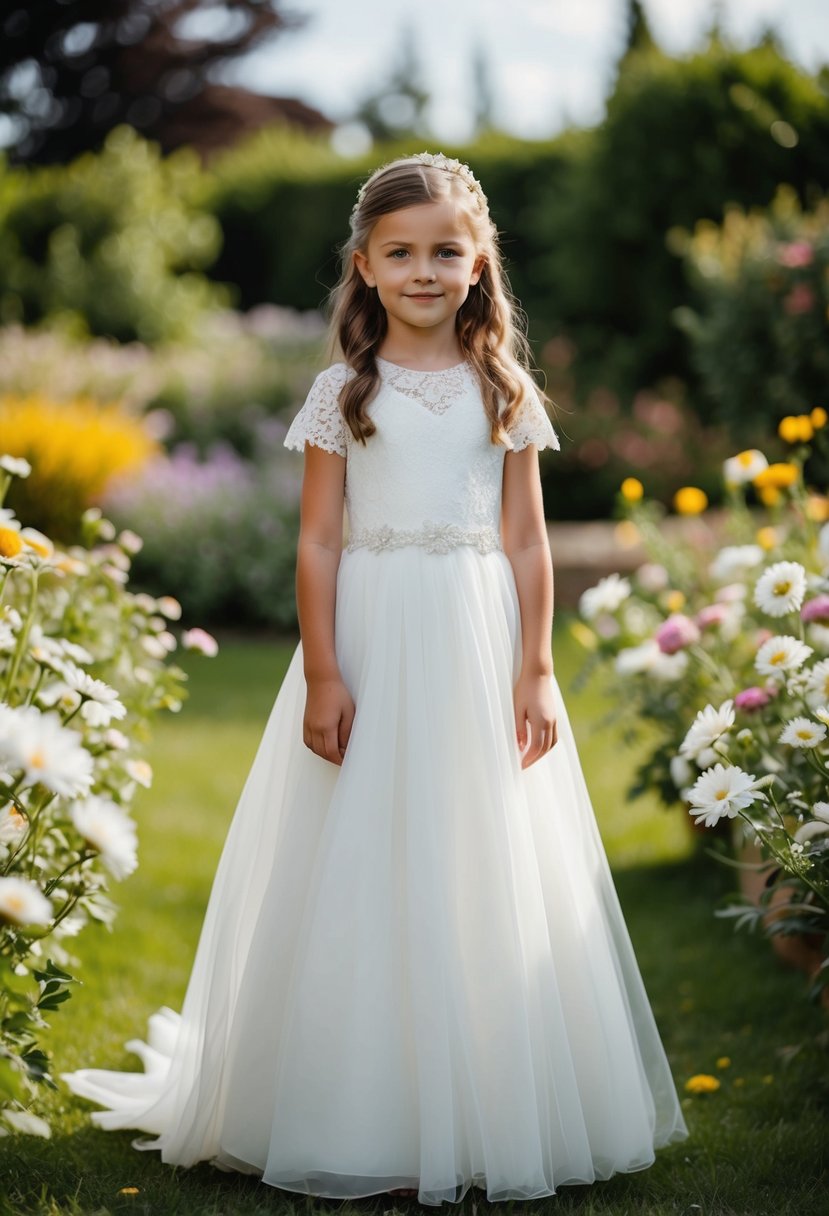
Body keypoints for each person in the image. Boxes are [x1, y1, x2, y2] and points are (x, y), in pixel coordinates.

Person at [61, 151, 689, 1205]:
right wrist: (321, 671)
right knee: (356, 857)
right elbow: (315, 544)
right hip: (370, 634)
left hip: (477, 640)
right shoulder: (342, 394)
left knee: (474, 853)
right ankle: (351, 1102)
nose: (424, 270)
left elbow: (529, 544)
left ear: (480, 262)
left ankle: (484, 1096)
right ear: (364, 265)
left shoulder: (505, 389)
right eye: (400, 253)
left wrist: (536, 668)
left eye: (447, 250)